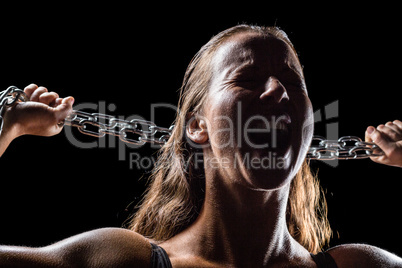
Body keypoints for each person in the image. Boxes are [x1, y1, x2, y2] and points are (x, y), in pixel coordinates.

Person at [0, 25, 401, 267]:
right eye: (247, 77)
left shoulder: (361, 265)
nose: (278, 90)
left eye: (293, 81)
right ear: (197, 126)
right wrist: (9, 127)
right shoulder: (123, 262)